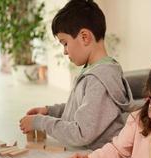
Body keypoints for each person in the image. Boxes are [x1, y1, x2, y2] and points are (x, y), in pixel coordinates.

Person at [19, 0, 133, 149]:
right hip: (89, 157)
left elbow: (80, 133)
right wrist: (50, 111)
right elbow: (82, 107)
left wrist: (39, 122)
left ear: (84, 37)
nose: (65, 51)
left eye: (65, 43)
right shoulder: (94, 70)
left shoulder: (99, 80)